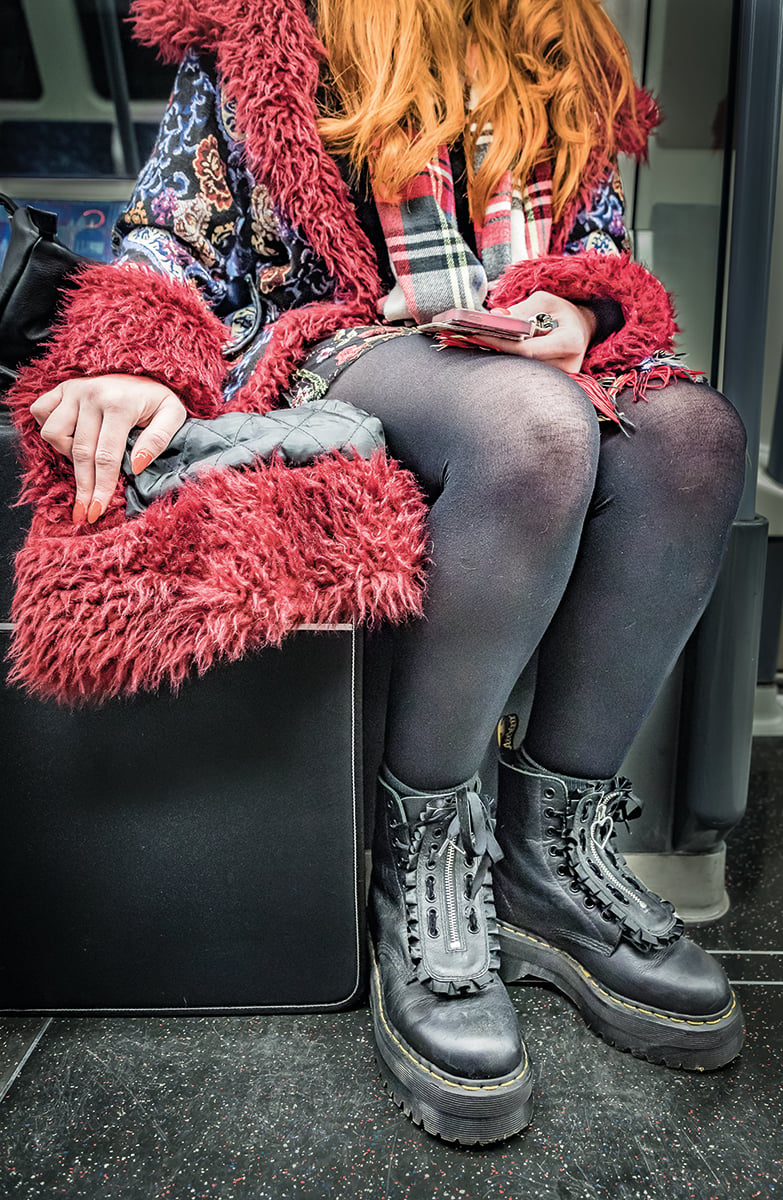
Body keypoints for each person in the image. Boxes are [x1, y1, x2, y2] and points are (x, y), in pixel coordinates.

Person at [8, 0, 747, 1146]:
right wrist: (134, 362)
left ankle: (552, 864)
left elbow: (594, 248)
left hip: (504, 355)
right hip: (332, 347)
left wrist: (576, 308)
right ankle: (429, 865)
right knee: (536, 430)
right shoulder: (269, 29)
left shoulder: (561, 36)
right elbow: (168, 241)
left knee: (696, 443)